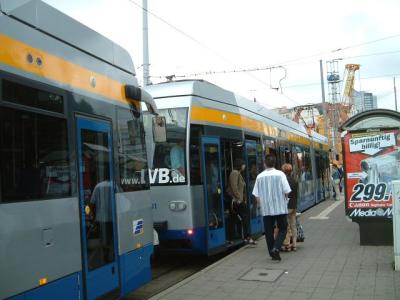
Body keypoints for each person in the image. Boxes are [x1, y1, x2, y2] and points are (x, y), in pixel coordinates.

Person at [252, 155, 291, 261]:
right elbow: (287, 191)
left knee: (268, 231)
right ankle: (276, 248)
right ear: (275, 163)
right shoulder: (281, 174)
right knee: (283, 228)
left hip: (266, 210)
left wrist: (261, 205)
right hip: (280, 208)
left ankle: (272, 252)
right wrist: (284, 200)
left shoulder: (259, 176)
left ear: (265, 164)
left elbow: (256, 194)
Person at [227, 158, 256, 244]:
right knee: (245, 216)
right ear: (240, 165)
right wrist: (240, 199)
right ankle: (247, 237)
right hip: (237, 201)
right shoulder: (234, 173)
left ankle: (232, 238)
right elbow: (234, 187)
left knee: (234, 219)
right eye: (243, 164)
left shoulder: (238, 173)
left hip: (238, 200)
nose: (245, 166)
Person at [281, 163, 299, 252]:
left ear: (283, 171)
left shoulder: (284, 180)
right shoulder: (294, 180)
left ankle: (287, 244)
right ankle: (294, 244)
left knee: (286, 226)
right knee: (293, 225)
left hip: (287, 206)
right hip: (294, 206)